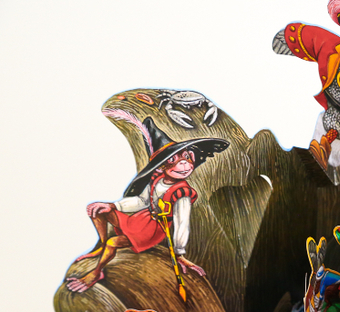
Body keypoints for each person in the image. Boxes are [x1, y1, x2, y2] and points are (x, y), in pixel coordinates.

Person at [66, 117, 229, 292]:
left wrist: (179, 253)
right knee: (97, 211)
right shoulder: (156, 179)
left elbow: (182, 223)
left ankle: (97, 272)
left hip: (153, 229)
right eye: (174, 160)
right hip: (141, 219)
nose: (184, 164)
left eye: (187, 157)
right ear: (160, 167)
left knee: (113, 242)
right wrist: (113, 206)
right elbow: (142, 201)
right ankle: (101, 247)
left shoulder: (182, 193)